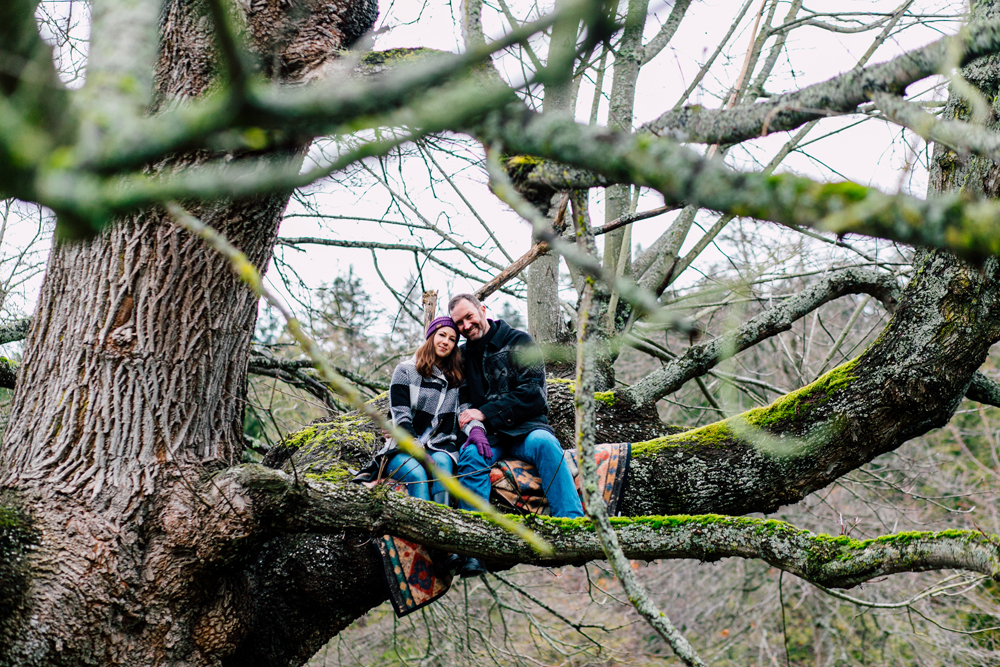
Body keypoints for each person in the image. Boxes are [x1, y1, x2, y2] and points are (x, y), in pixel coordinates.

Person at [355, 315, 487, 577]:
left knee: (443, 466)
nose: (447, 342)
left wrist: (477, 431)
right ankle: (432, 544)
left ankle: (446, 539)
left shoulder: (455, 381)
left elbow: (465, 414)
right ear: (431, 337)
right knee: (416, 474)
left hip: (440, 446)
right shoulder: (406, 371)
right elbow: (401, 415)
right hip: (403, 446)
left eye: (452, 339)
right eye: (442, 336)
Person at [449, 293, 585, 519]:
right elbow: (462, 402)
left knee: (546, 444)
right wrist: (475, 428)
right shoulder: (461, 356)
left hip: (527, 430)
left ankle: (572, 522)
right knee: (471, 455)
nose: (466, 325)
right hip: (489, 438)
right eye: (459, 323)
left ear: (482, 310)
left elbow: (533, 394)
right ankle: (473, 540)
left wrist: (484, 412)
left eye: (469, 316)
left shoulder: (520, 341)